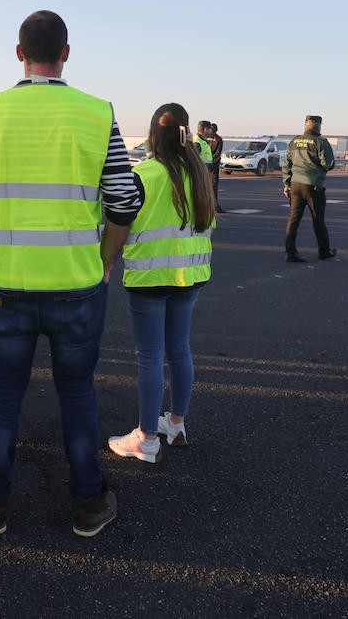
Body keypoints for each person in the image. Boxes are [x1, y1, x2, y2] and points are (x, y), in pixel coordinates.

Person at [0, 10, 142, 538]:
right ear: (66, 53)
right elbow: (125, 199)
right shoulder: (97, 113)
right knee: (77, 392)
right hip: (77, 284)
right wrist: (105, 262)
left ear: (18, 53)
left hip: (5, 283)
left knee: (5, 392)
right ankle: (89, 502)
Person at [106, 104, 215, 463]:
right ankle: (177, 423)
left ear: (154, 135)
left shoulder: (144, 174)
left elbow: (122, 222)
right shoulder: (198, 174)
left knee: (150, 356)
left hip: (149, 278)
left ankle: (147, 438)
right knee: (179, 349)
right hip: (191, 277)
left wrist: (106, 262)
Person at [282, 114, 337, 263]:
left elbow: (287, 164)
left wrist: (287, 184)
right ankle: (324, 251)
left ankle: (290, 252)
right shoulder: (321, 142)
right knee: (318, 220)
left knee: (293, 219)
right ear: (319, 126)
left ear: (305, 125)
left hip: (295, 185)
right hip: (313, 186)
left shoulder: (294, 141)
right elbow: (328, 164)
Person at [200, 120, 223, 211]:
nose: (211, 132)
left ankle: (215, 206)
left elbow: (218, 153)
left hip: (213, 166)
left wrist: (211, 162)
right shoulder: (206, 139)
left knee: (213, 187)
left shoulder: (218, 139)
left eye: (212, 130)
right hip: (206, 166)